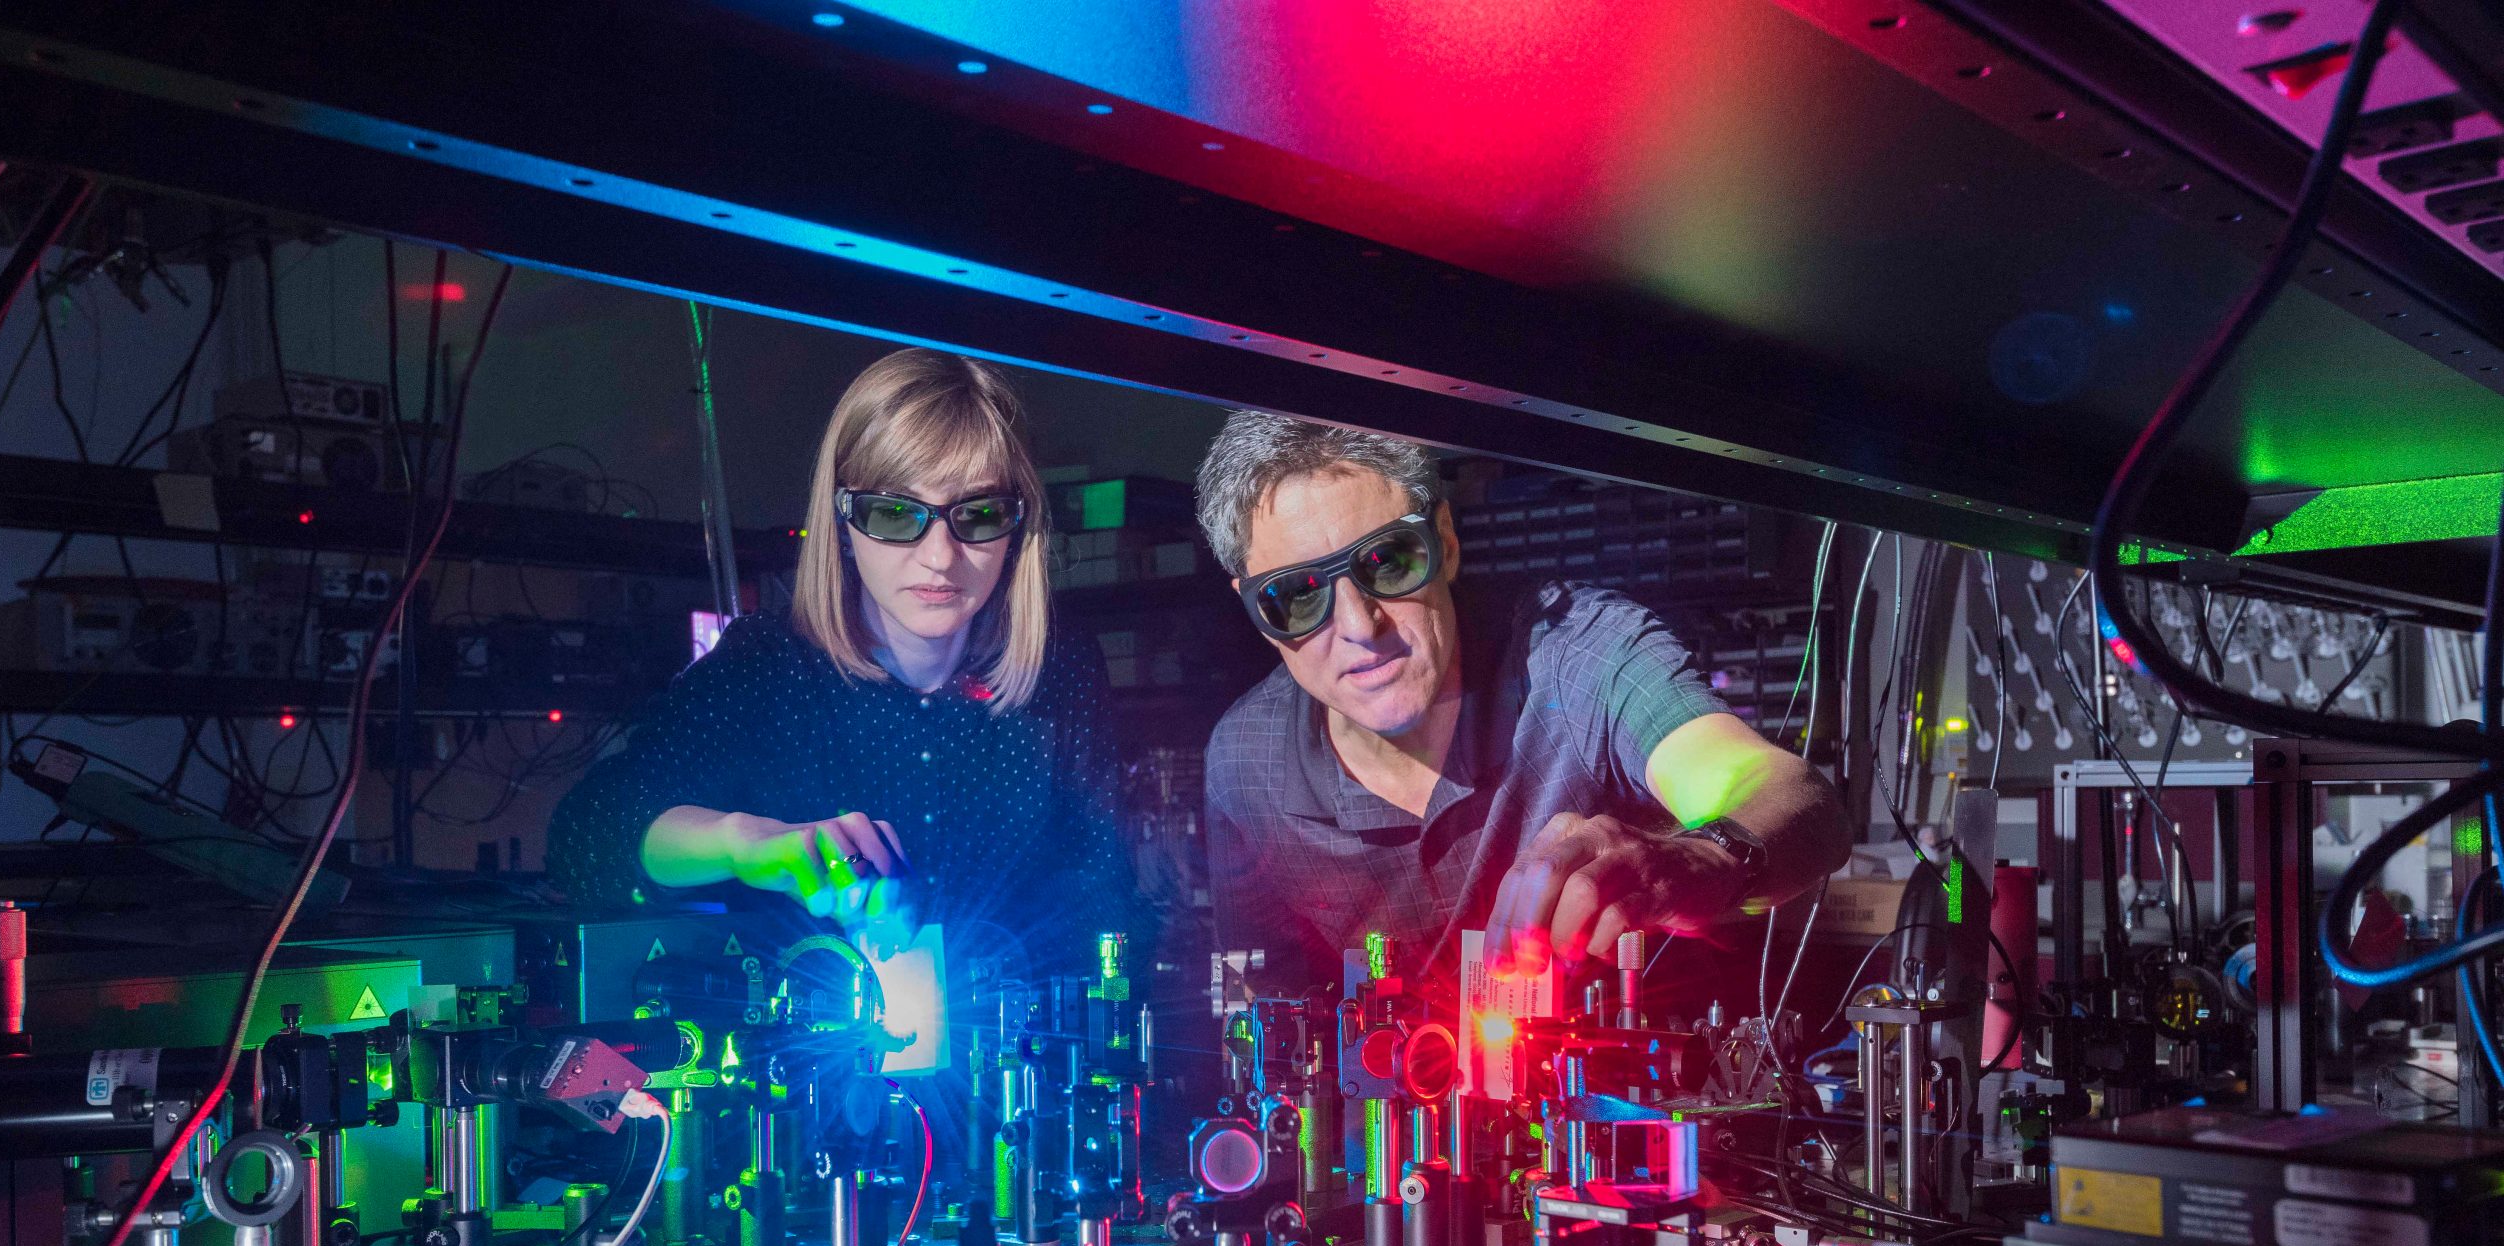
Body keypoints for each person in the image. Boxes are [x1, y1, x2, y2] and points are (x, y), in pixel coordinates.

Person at [1195, 414, 1851, 994]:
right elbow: (1255, 1009)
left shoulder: (1577, 657)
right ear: (1255, 611)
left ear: (1445, 543)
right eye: (1297, 596)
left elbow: (1797, 800)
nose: (1360, 627)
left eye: (1387, 561)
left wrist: (1704, 857)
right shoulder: (1246, 761)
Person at [549, 347, 1134, 975]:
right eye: (895, 513)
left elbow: (1101, 900)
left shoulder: (1060, 670)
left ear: (1018, 527)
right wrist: (747, 843)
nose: (940, 556)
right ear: (843, 523)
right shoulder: (769, 668)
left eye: (979, 514)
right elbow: (589, 836)